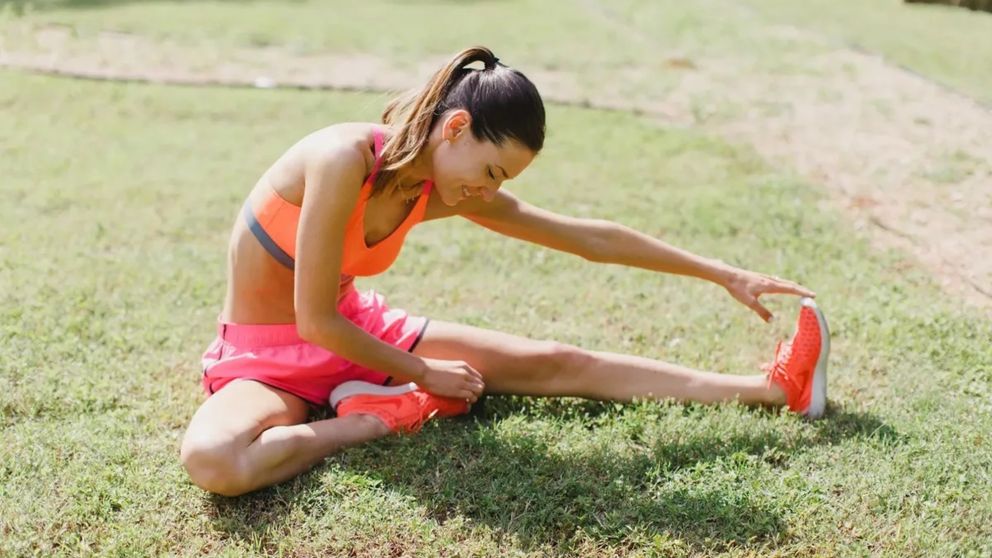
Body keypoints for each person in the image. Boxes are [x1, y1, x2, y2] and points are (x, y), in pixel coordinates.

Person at [180, 46, 830, 498]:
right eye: (490, 171)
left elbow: (586, 237)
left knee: (558, 362)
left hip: (362, 335)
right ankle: (380, 418)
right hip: (267, 360)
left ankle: (775, 389)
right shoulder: (340, 158)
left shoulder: (434, 188)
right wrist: (423, 375)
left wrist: (719, 272)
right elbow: (314, 322)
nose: (487, 192)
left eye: (502, 181)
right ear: (456, 127)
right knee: (213, 459)